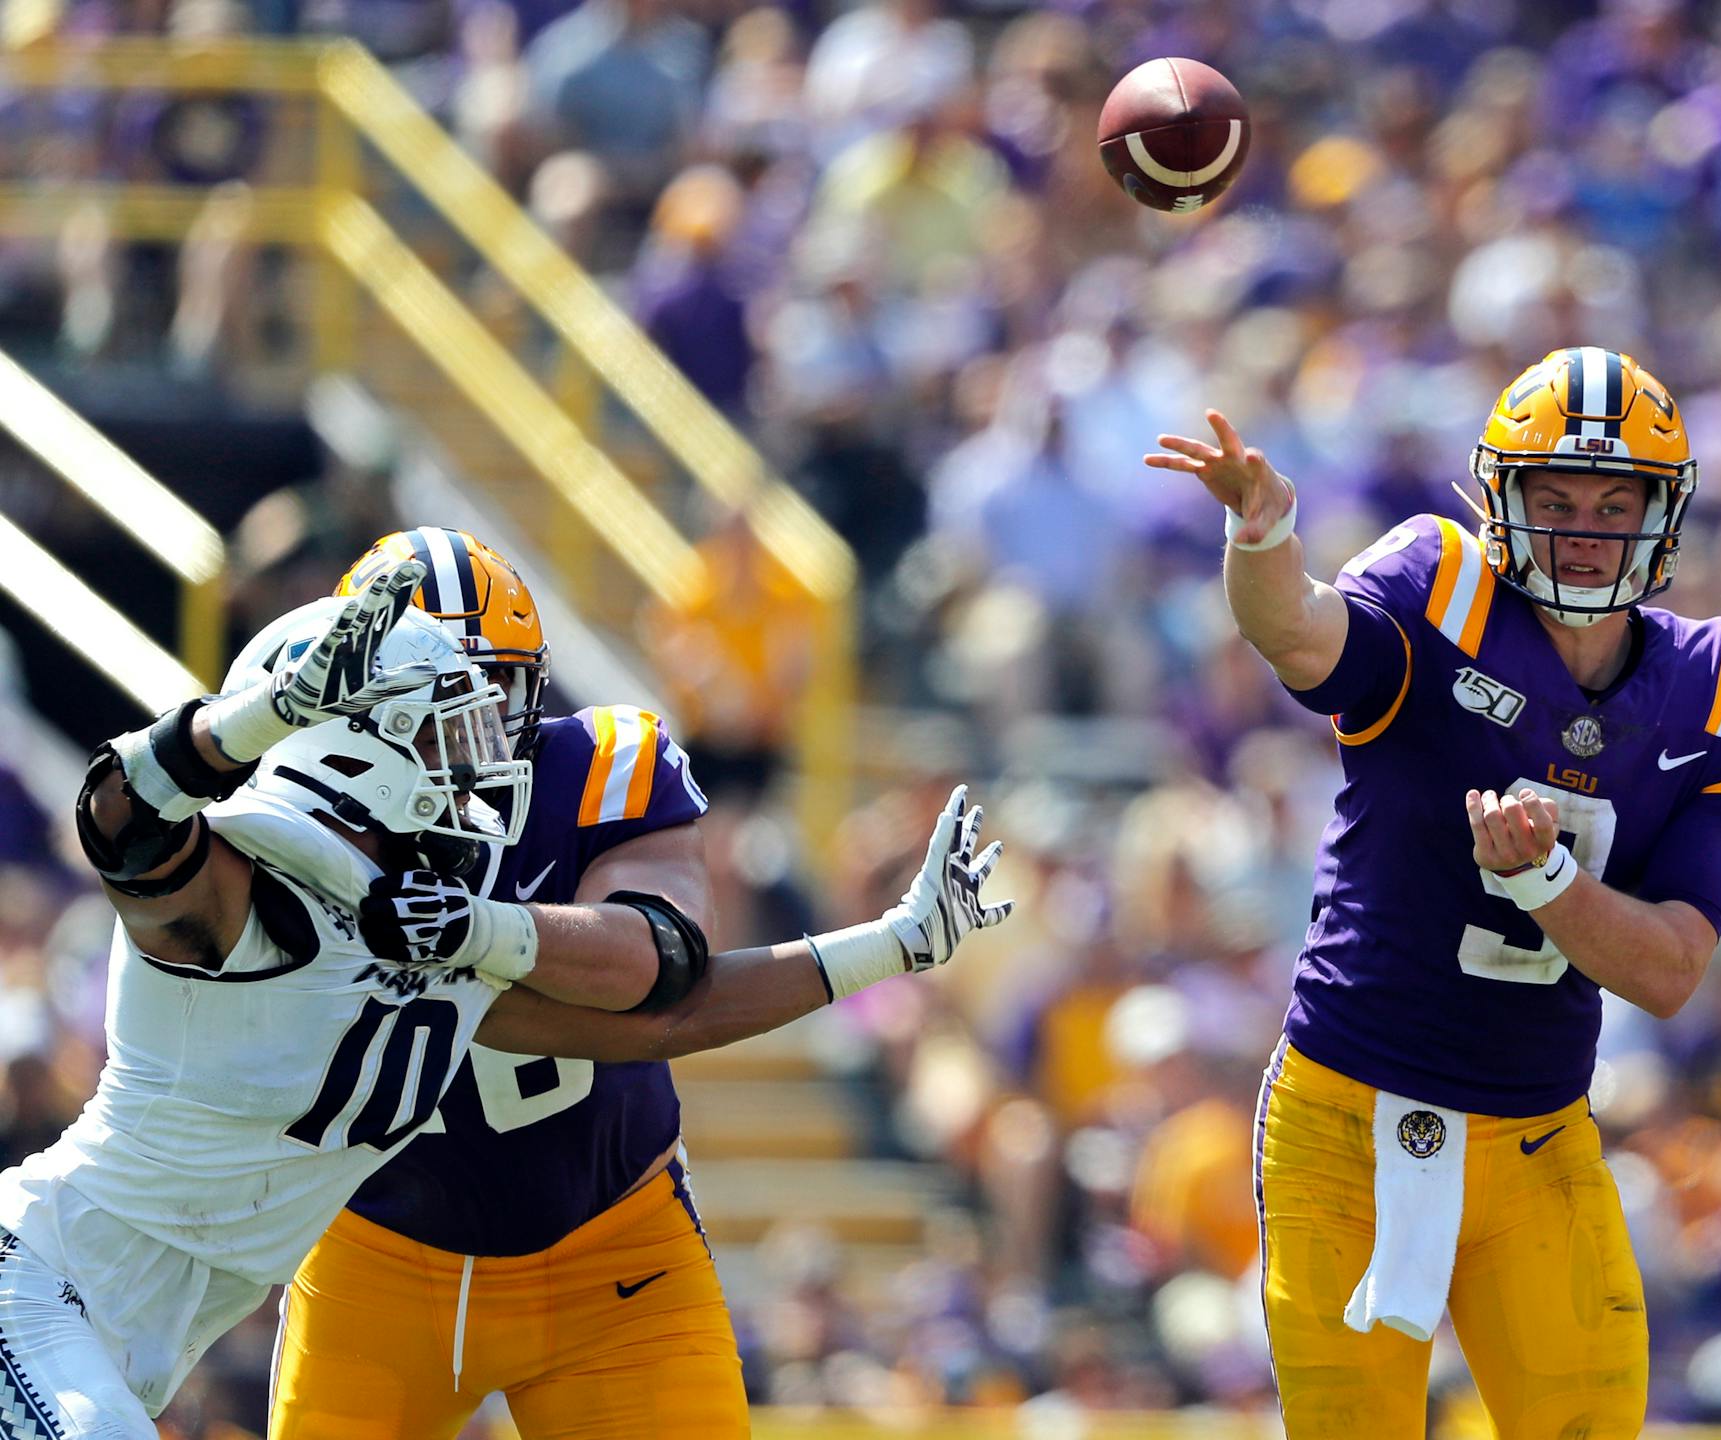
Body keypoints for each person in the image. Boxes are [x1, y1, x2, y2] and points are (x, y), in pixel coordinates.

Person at [0, 563, 1009, 1437]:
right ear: (354, 733)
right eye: (448, 727)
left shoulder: (408, 931)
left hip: (113, 1336)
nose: (484, 760)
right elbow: (122, 823)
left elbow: (660, 1017)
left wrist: (893, 946)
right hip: (34, 1291)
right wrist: (248, 721)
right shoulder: (243, 890)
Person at [1147, 346, 1721, 1438]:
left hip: (1536, 1140)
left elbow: (1671, 970)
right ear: (1503, 499)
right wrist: (1260, 538)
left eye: (1613, 499)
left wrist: (1545, 881)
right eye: (1556, 497)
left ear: (1663, 511)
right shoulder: (1438, 588)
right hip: (1342, 1124)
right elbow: (1298, 632)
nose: (1585, 526)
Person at [268, 526, 734, 1436]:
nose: (462, 734)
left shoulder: (599, 767)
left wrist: (479, 930)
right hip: (376, 1256)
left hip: (616, 1251)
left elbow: (664, 958)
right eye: (424, 700)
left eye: (489, 692)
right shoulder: (290, 814)